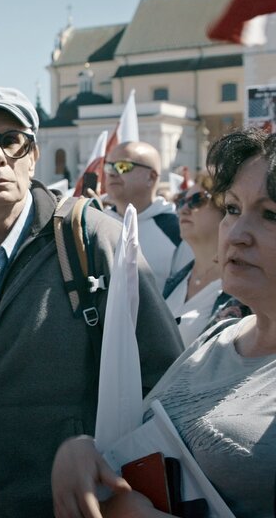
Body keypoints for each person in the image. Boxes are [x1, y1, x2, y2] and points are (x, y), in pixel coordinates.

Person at [0, 85, 183, 518]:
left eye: (12, 140)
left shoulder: (91, 241)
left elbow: (168, 380)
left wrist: (113, 480)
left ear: (33, 155)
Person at [51, 127, 276, 518]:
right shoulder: (219, 335)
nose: (237, 234)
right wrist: (84, 452)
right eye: (233, 208)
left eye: (270, 214)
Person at [104, 141, 185, 291]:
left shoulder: (178, 230)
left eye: (123, 166)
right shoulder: (97, 224)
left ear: (151, 177)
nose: (112, 173)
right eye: (108, 166)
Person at [163, 172, 230, 348]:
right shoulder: (176, 280)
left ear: (226, 207)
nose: (183, 209)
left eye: (197, 200)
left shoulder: (240, 288)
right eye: (180, 201)